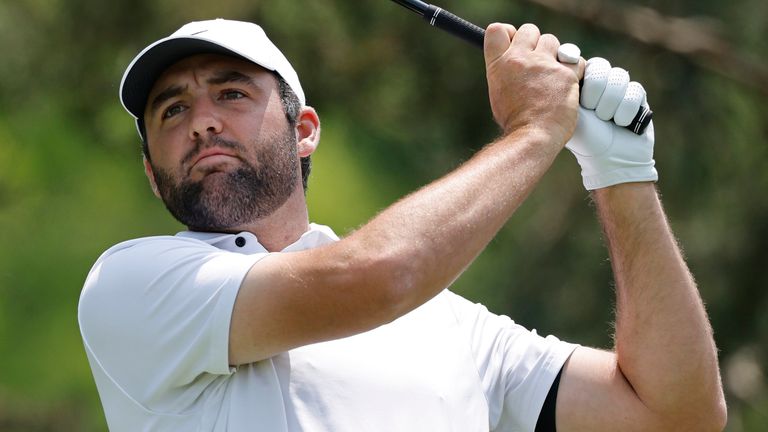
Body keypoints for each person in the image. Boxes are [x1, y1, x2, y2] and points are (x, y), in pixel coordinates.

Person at [78, 18, 727, 431]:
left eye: (232, 93)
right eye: (172, 111)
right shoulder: (130, 285)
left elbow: (677, 413)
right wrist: (536, 131)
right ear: (150, 169)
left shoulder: (452, 326)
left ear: (304, 133)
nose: (202, 121)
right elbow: (381, 276)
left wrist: (620, 173)